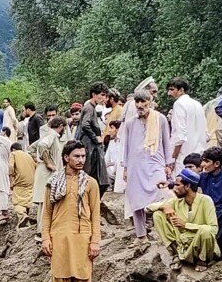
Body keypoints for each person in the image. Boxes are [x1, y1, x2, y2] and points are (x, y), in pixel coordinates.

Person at [41, 141, 103, 282]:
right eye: (76, 156)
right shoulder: (53, 182)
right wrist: (45, 238)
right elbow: (47, 214)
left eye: (83, 156)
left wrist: (95, 241)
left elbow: (95, 214)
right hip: (58, 238)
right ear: (66, 157)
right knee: (59, 281)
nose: (81, 160)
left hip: (83, 239)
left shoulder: (91, 183)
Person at [121, 82, 173, 237]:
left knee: (162, 194)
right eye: (137, 102)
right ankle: (141, 234)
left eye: (143, 102)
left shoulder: (160, 119)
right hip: (135, 165)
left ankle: (164, 231)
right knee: (136, 198)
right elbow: (126, 146)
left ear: (149, 102)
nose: (140, 105)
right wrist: (125, 168)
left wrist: (168, 164)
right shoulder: (130, 123)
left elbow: (166, 142)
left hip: (155, 162)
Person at [147, 169, 219, 266]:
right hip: (183, 243)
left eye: (177, 185)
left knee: (206, 231)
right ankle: (176, 254)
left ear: (188, 186)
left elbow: (213, 229)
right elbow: (147, 209)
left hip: (200, 244)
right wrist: (164, 207)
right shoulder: (177, 201)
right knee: (158, 215)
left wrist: (185, 225)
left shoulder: (206, 200)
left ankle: (202, 260)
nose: (174, 189)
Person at [194, 146, 222, 260]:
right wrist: (169, 184)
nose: (203, 164)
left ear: (217, 163)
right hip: (207, 210)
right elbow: (186, 183)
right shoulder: (202, 177)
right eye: (203, 160)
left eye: (206, 161)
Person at [166, 78, 208, 171]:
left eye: (172, 89)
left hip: (185, 155)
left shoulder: (179, 104)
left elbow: (180, 134)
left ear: (181, 90)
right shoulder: (197, 104)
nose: (169, 93)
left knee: (183, 183)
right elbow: (206, 133)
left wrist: (174, 157)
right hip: (199, 153)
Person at [77, 84, 112, 186]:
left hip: (90, 145)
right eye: (102, 95)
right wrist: (95, 138)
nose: (104, 98)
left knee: (95, 174)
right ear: (94, 95)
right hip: (88, 145)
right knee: (89, 172)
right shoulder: (89, 108)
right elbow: (85, 124)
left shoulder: (92, 108)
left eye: (105, 96)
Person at [31, 114, 63, 212]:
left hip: (45, 173)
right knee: (45, 206)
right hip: (47, 174)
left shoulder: (49, 135)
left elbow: (31, 148)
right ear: (61, 126)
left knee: (46, 205)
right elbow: (42, 145)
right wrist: (48, 163)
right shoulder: (52, 135)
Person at [9, 138, 37, 218]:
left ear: (13, 149)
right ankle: (26, 215)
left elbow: (10, 167)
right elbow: (35, 166)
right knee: (27, 200)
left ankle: (22, 215)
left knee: (17, 202)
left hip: (20, 181)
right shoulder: (28, 155)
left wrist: (11, 181)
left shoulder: (13, 154)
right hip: (31, 182)